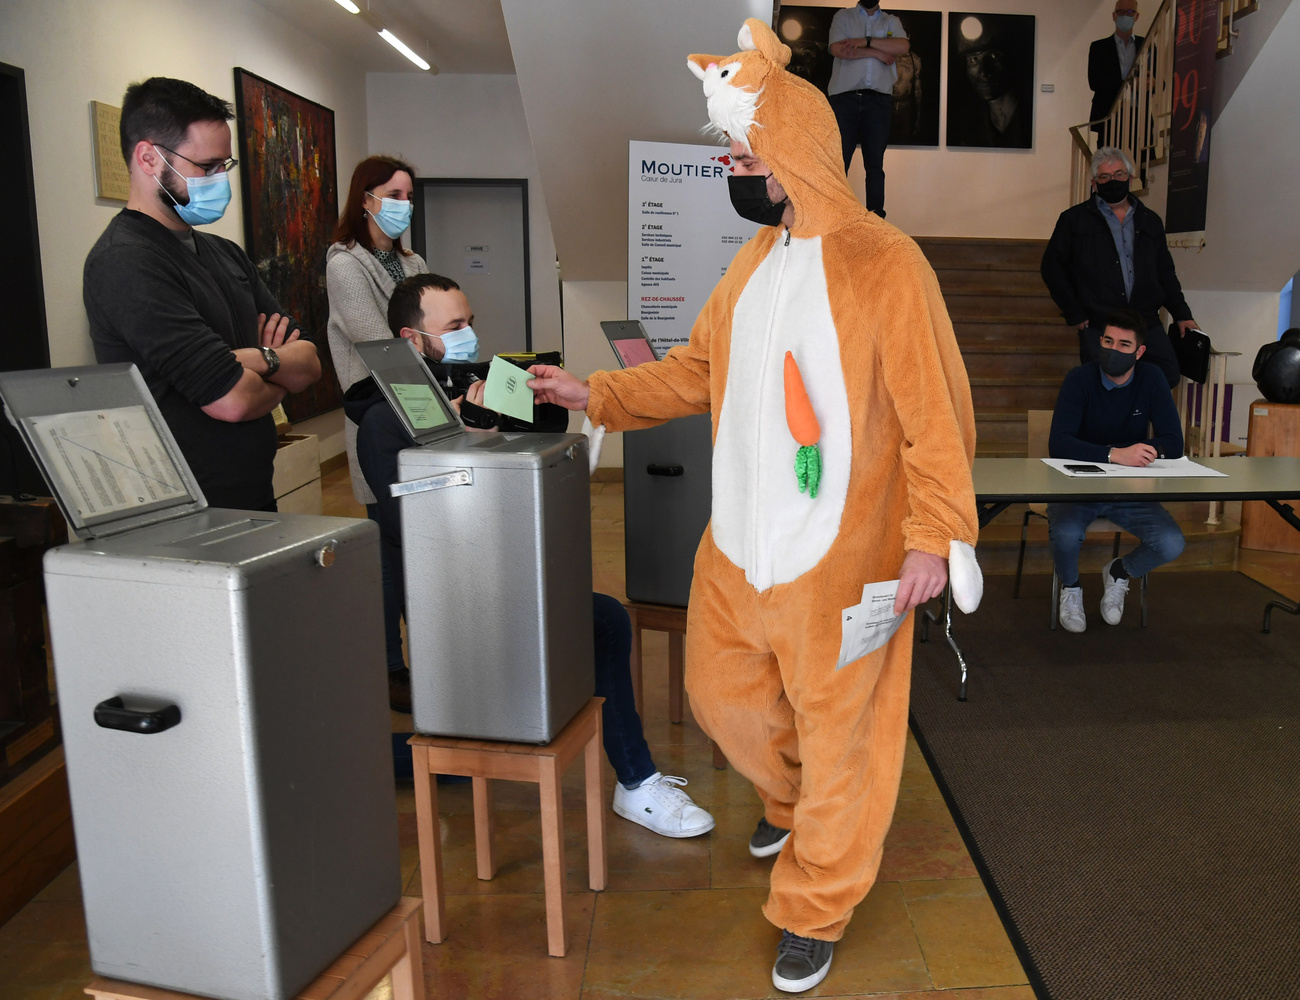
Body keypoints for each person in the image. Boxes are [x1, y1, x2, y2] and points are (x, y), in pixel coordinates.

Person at [529, 20, 981, 994]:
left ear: (791, 153)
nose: (730, 169)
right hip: (735, 545)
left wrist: (933, 536)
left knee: (845, 738)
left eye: (742, 153)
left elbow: (930, 411)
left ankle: (814, 905)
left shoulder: (883, 260)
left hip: (844, 553)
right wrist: (594, 395)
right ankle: (788, 796)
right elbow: (697, 369)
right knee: (720, 700)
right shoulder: (752, 264)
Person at [343, 273, 715, 840]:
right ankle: (632, 781)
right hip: (457, 600)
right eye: (455, 327)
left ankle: (633, 781)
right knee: (600, 625)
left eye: (471, 322)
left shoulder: (481, 382)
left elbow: (550, 421)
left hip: (511, 573)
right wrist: (464, 441)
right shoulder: (381, 421)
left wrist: (504, 408)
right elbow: (417, 530)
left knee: (604, 619)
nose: (470, 335)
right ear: (412, 339)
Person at [84, 77, 320, 511]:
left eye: (223, 167)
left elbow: (308, 364)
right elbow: (233, 400)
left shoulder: (223, 253)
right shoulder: (127, 261)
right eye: (206, 166)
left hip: (249, 489)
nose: (218, 180)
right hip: (185, 506)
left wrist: (255, 360)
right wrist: (275, 367)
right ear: (149, 158)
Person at [326, 155, 429, 712]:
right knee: (389, 548)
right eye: (393, 193)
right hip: (380, 422)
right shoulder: (345, 264)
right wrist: (424, 340)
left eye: (408, 194)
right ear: (365, 199)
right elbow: (377, 340)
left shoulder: (412, 260)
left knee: (424, 546)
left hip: (426, 414)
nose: (403, 205)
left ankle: (433, 654)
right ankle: (391, 667)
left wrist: (429, 340)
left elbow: (433, 328)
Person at [1047, 309, 1185, 633]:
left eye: (1124, 345)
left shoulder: (1151, 379)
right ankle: (1071, 588)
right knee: (1066, 534)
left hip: (1130, 488)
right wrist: (1114, 454)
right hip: (1076, 486)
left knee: (1171, 542)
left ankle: (1120, 572)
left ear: (1139, 352)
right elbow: (1059, 443)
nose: (1113, 350)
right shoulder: (1079, 379)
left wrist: (1146, 451)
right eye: (1108, 341)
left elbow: (1174, 442)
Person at [1041, 146, 1197, 390]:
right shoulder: (1073, 220)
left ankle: (1134, 416)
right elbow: (1052, 268)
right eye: (1104, 177)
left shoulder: (1150, 220)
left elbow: (1165, 271)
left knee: (1167, 374)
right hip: (1099, 321)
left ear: (1131, 178)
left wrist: (1182, 314)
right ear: (1094, 183)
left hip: (1145, 320)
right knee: (1100, 385)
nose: (1112, 181)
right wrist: (1074, 313)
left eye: (1119, 175)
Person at [826, 1, 909, 217]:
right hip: (845, 100)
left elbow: (902, 46)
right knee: (838, 163)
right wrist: (877, 53)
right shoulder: (843, 17)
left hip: (878, 101)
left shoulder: (891, 21)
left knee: (875, 166)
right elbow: (838, 49)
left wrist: (864, 42)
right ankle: (834, 216)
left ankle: (875, 219)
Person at [947, 14, 1031, 148]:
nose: (983, 72)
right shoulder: (969, 122)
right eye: (974, 59)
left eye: (994, 56)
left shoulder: (1030, 117)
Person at [1088, 2, 1144, 141]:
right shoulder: (1099, 47)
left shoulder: (1145, 45)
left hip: (1138, 115)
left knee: (1141, 160)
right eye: (1120, 12)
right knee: (1108, 159)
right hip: (1109, 114)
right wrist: (1131, 84)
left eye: (1130, 12)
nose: (1125, 15)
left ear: (1136, 16)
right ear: (1114, 16)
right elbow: (1094, 82)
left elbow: (1158, 81)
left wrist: (1154, 83)